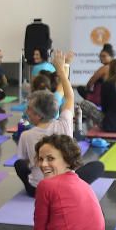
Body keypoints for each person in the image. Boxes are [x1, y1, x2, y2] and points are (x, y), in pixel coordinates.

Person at [15, 50, 103, 196]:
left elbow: (24, 162)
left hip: (38, 190)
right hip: (65, 188)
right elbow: (69, 97)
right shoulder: (64, 124)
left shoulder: (26, 135)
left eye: (29, 109)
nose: (27, 111)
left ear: (38, 115)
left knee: (19, 164)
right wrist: (63, 68)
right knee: (98, 166)